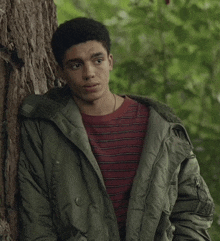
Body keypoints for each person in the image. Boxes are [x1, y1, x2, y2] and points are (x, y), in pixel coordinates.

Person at [18, 17, 214, 241]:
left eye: (97, 60)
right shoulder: (45, 129)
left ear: (110, 61)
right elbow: (37, 220)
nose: (89, 73)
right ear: (61, 72)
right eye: (76, 64)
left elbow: (192, 210)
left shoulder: (160, 126)